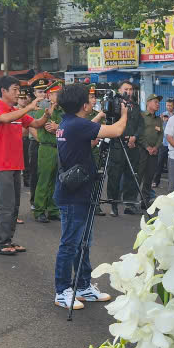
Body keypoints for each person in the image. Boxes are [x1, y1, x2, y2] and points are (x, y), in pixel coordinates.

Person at [52, 82, 120, 309]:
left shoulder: (68, 122)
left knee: (83, 243)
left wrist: (100, 115)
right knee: (70, 244)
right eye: (89, 99)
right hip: (74, 195)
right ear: (82, 104)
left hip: (78, 192)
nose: (92, 101)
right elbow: (117, 131)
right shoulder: (77, 125)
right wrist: (125, 113)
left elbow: (87, 134)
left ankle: (82, 287)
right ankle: (62, 291)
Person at [0, 75, 50, 255]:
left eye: (18, 90)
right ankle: (1, 243)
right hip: (2, 166)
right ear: (3, 91)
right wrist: (29, 107)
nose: (17, 93)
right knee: (6, 206)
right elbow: (5, 119)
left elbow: (36, 124)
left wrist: (46, 114)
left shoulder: (16, 111)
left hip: (16, 165)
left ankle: (9, 240)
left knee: (14, 206)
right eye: (14, 90)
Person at [105, 81, 145, 216]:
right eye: (126, 89)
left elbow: (141, 125)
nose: (129, 91)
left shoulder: (136, 106)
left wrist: (135, 137)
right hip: (118, 145)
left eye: (131, 89)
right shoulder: (115, 105)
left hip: (132, 146)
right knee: (114, 177)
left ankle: (129, 203)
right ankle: (113, 204)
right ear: (119, 90)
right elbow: (111, 123)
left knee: (131, 176)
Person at [30, 82, 64, 222]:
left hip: (59, 148)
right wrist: (58, 129)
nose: (60, 96)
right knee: (44, 180)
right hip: (47, 148)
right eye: (57, 94)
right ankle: (39, 210)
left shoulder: (63, 111)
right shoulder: (43, 110)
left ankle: (53, 209)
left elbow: (61, 128)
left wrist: (58, 128)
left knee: (56, 181)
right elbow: (47, 127)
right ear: (49, 95)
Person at [137, 94, 163, 206]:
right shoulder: (141, 116)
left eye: (158, 102)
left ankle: (145, 201)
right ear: (148, 103)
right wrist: (147, 147)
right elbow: (139, 133)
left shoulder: (158, 119)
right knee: (138, 176)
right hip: (142, 151)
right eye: (155, 102)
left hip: (154, 152)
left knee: (149, 177)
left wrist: (156, 147)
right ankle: (132, 201)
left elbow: (161, 135)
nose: (158, 104)